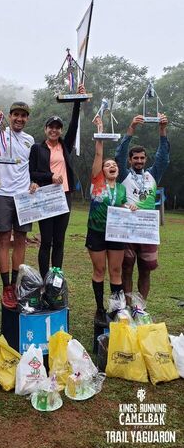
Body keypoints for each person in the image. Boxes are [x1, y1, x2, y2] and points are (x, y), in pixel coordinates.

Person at [29, 84, 85, 279]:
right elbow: (33, 172)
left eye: (57, 127)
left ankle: (56, 279)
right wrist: (49, 177)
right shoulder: (37, 148)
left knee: (59, 241)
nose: (54, 130)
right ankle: (44, 279)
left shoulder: (65, 145)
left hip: (64, 196)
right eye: (51, 127)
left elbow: (74, 124)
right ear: (45, 129)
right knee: (46, 241)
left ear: (60, 131)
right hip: (46, 197)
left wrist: (78, 100)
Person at [86, 117, 136, 325]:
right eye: (107, 165)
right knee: (99, 271)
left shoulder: (123, 189)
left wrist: (130, 207)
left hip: (116, 233)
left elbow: (122, 207)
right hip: (97, 231)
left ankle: (115, 310)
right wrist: (100, 130)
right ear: (102, 171)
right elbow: (99, 153)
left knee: (116, 271)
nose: (111, 166)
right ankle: (99, 310)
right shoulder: (96, 181)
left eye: (114, 164)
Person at [0, 102, 36, 309]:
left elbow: (32, 166)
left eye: (23, 116)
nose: (19, 119)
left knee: (21, 240)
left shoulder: (29, 140)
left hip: (24, 196)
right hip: (3, 193)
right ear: (10, 115)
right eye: (16, 114)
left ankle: (16, 284)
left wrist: (35, 182)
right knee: (4, 239)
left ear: (27, 119)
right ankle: (6, 286)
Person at [115, 113, 169, 299]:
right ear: (130, 160)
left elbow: (163, 158)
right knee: (127, 268)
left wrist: (162, 130)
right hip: (127, 229)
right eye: (135, 158)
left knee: (145, 270)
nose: (138, 161)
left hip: (147, 231)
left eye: (142, 158)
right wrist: (131, 128)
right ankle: (129, 306)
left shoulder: (153, 175)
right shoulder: (123, 175)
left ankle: (141, 307)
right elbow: (119, 154)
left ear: (145, 160)